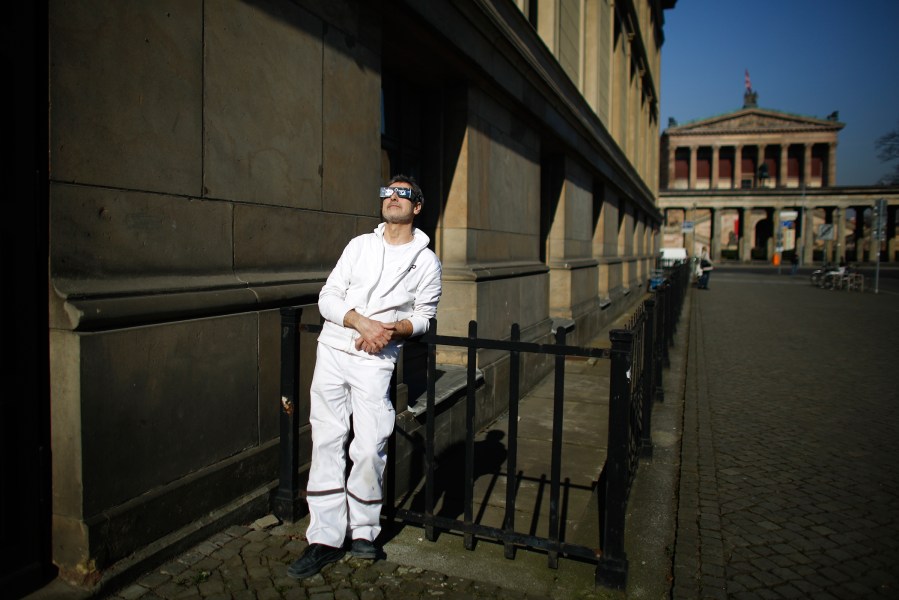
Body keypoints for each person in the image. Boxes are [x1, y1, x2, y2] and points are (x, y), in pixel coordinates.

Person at [287, 175, 442, 579]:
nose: (393, 197)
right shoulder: (359, 246)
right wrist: (359, 321)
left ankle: (364, 531)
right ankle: (323, 537)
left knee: (371, 444)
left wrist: (389, 331)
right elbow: (328, 297)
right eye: (387, 192)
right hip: (334, 350)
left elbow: (424, 317)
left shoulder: (426, 261)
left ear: (417, 207)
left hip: (377, 359)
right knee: (327, 440)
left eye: (403, 193)